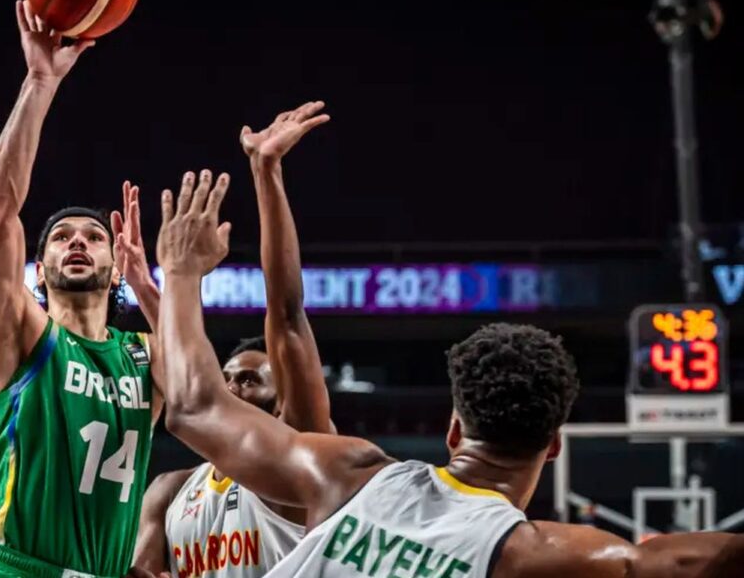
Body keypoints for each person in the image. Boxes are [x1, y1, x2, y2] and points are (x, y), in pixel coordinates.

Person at [152, 170, 741, 578]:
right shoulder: (531, 555)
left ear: (454, 427)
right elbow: (688, 561)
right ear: (555, 446)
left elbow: (193, 406)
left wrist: (180, 274)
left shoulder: (348, 474)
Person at [0, 1, 166, 578]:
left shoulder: (144, 356)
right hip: (9, 570)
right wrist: (40, 80)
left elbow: (203, 399)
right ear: (38, 271)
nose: (77, 242)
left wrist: (149, 288)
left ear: (115, 264)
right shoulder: (24, 335)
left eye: (95, 236)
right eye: (61, 237)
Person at [131, 103, 333, 578]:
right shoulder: (170, 491)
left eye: (250, 381)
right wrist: (146, 286)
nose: (235, 390)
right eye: (228, 380)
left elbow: (286, 316)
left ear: (282, 400)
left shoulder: (300, 464)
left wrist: (266, 171)